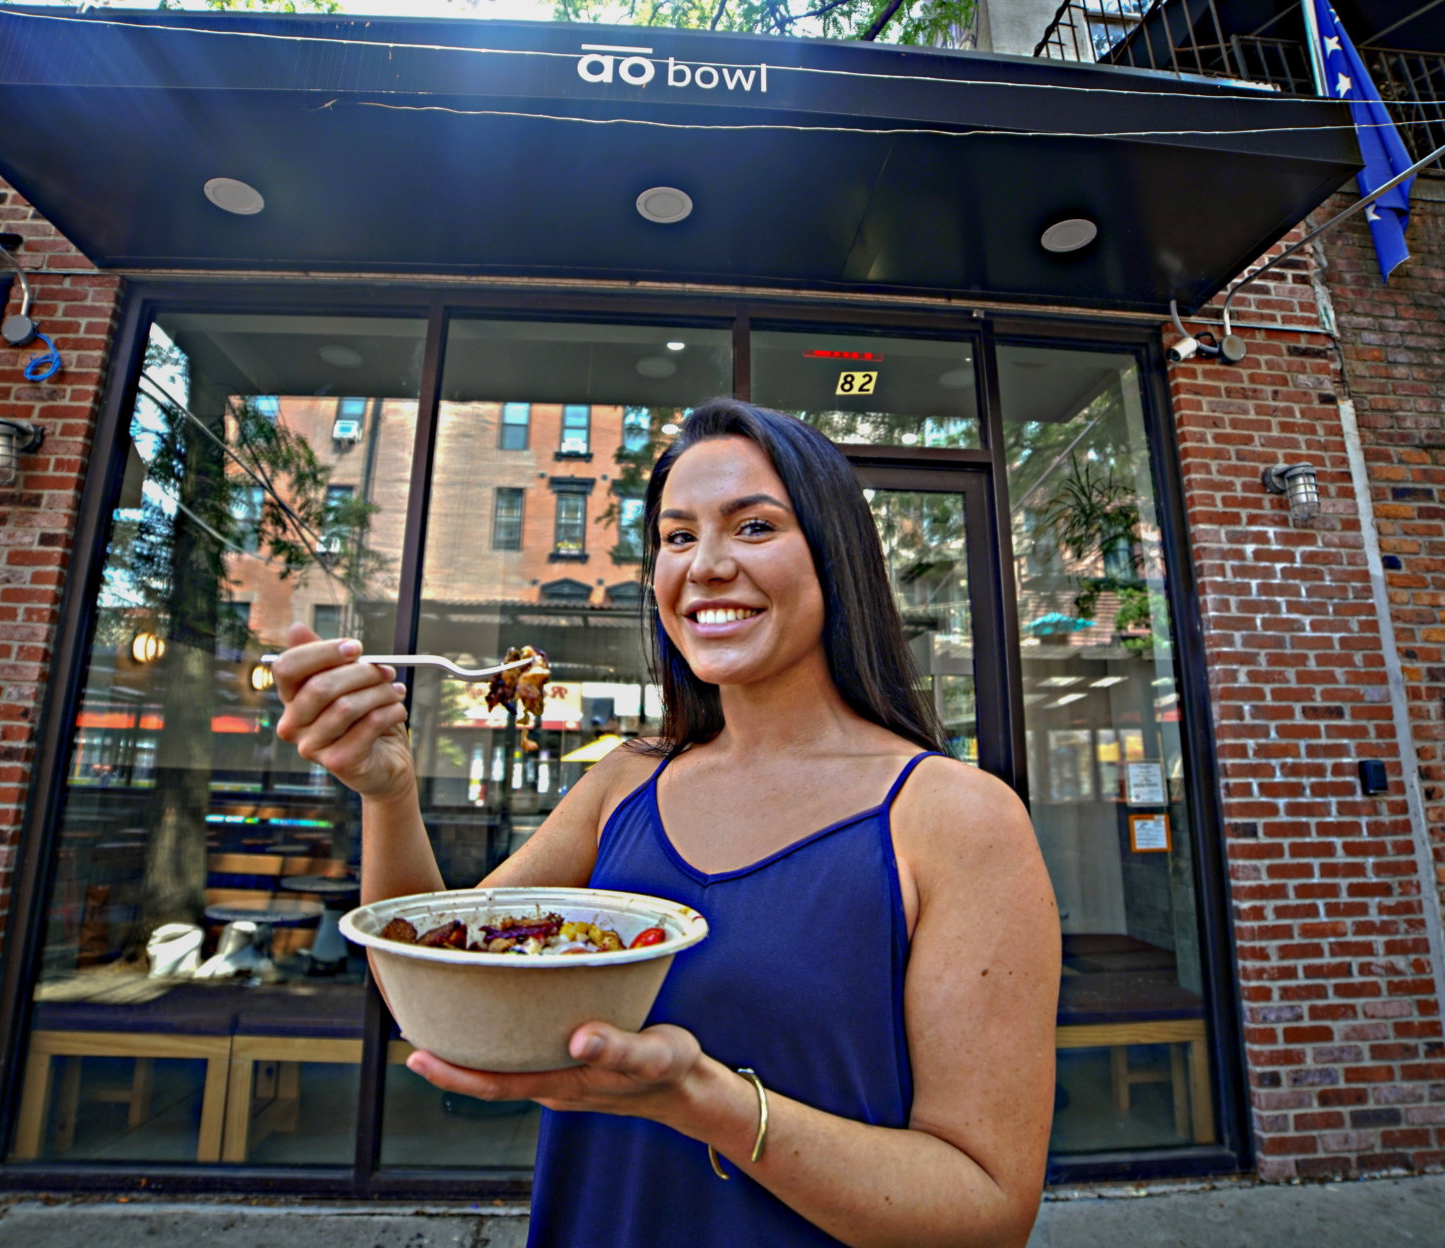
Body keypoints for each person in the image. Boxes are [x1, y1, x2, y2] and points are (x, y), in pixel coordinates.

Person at [271, 399, 1060, 1247]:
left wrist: (704, 1102)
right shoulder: (623, 783)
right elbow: (435, 989)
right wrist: (388, 795)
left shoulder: (956, 817)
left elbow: (989, 1214)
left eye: (753, 527)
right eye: (677, 537)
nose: (705, 566)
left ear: (837, 556)